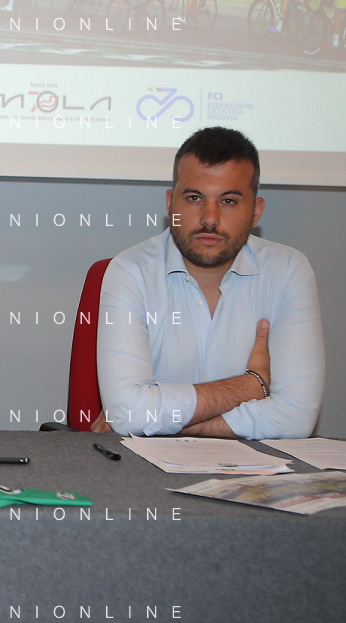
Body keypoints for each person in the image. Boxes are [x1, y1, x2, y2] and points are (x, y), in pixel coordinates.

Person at [95, 127, 323, 439]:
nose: (210, 218)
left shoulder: (288, 272)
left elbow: (296, 420)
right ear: (170, 204)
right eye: (194, 198)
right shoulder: (130, 271)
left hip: (254, 466)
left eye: (228, 200)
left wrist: (164, 423)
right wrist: (252, 385)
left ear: (256, 211)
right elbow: (129, 413)